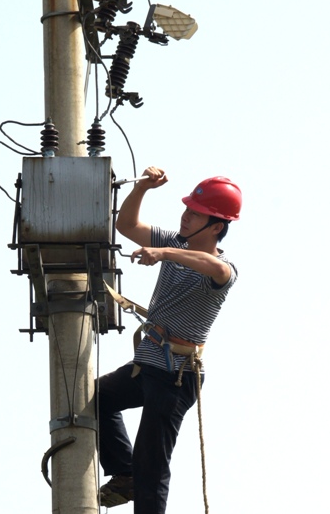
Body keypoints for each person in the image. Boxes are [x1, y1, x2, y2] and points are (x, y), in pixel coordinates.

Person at [97, 166, 242, 513]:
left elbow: (216, 268)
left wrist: (163, 253)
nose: (186, 216)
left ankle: (137, 481)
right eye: (187, 209)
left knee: (152, 463)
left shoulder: (222, 270)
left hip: (176, 376)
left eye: (196, 214)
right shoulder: (175, 242)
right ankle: (124, 474)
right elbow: (127, 226)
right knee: (97, 399)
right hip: (147, 365)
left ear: (217, 226)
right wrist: (142, 189)